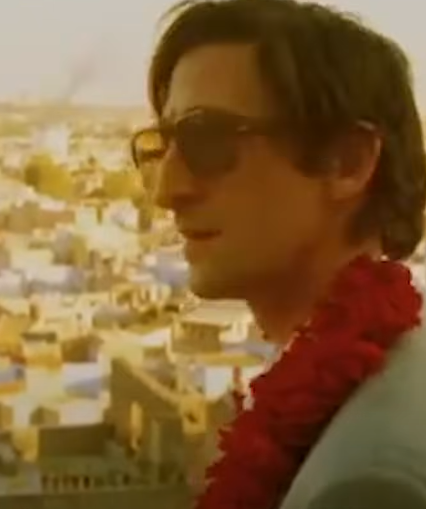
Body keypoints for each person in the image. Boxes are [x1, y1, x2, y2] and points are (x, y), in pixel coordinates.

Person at [130, 0, 426, 508]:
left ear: (347, 162)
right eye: (162, 147)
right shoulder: (369, 402)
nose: (168, 191)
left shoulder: (367, 483)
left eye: (209, 139)